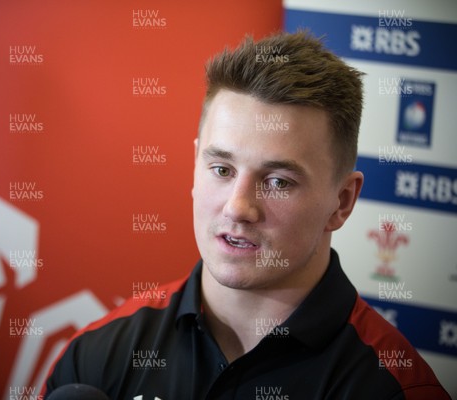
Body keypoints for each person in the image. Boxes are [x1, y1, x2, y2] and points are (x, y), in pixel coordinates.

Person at [43, 31, 450, 399]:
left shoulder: (395, 388)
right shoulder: (96, 354)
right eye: (222, 170)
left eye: (278, 182)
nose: (238, 206)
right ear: (194, 166)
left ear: (342, 202)